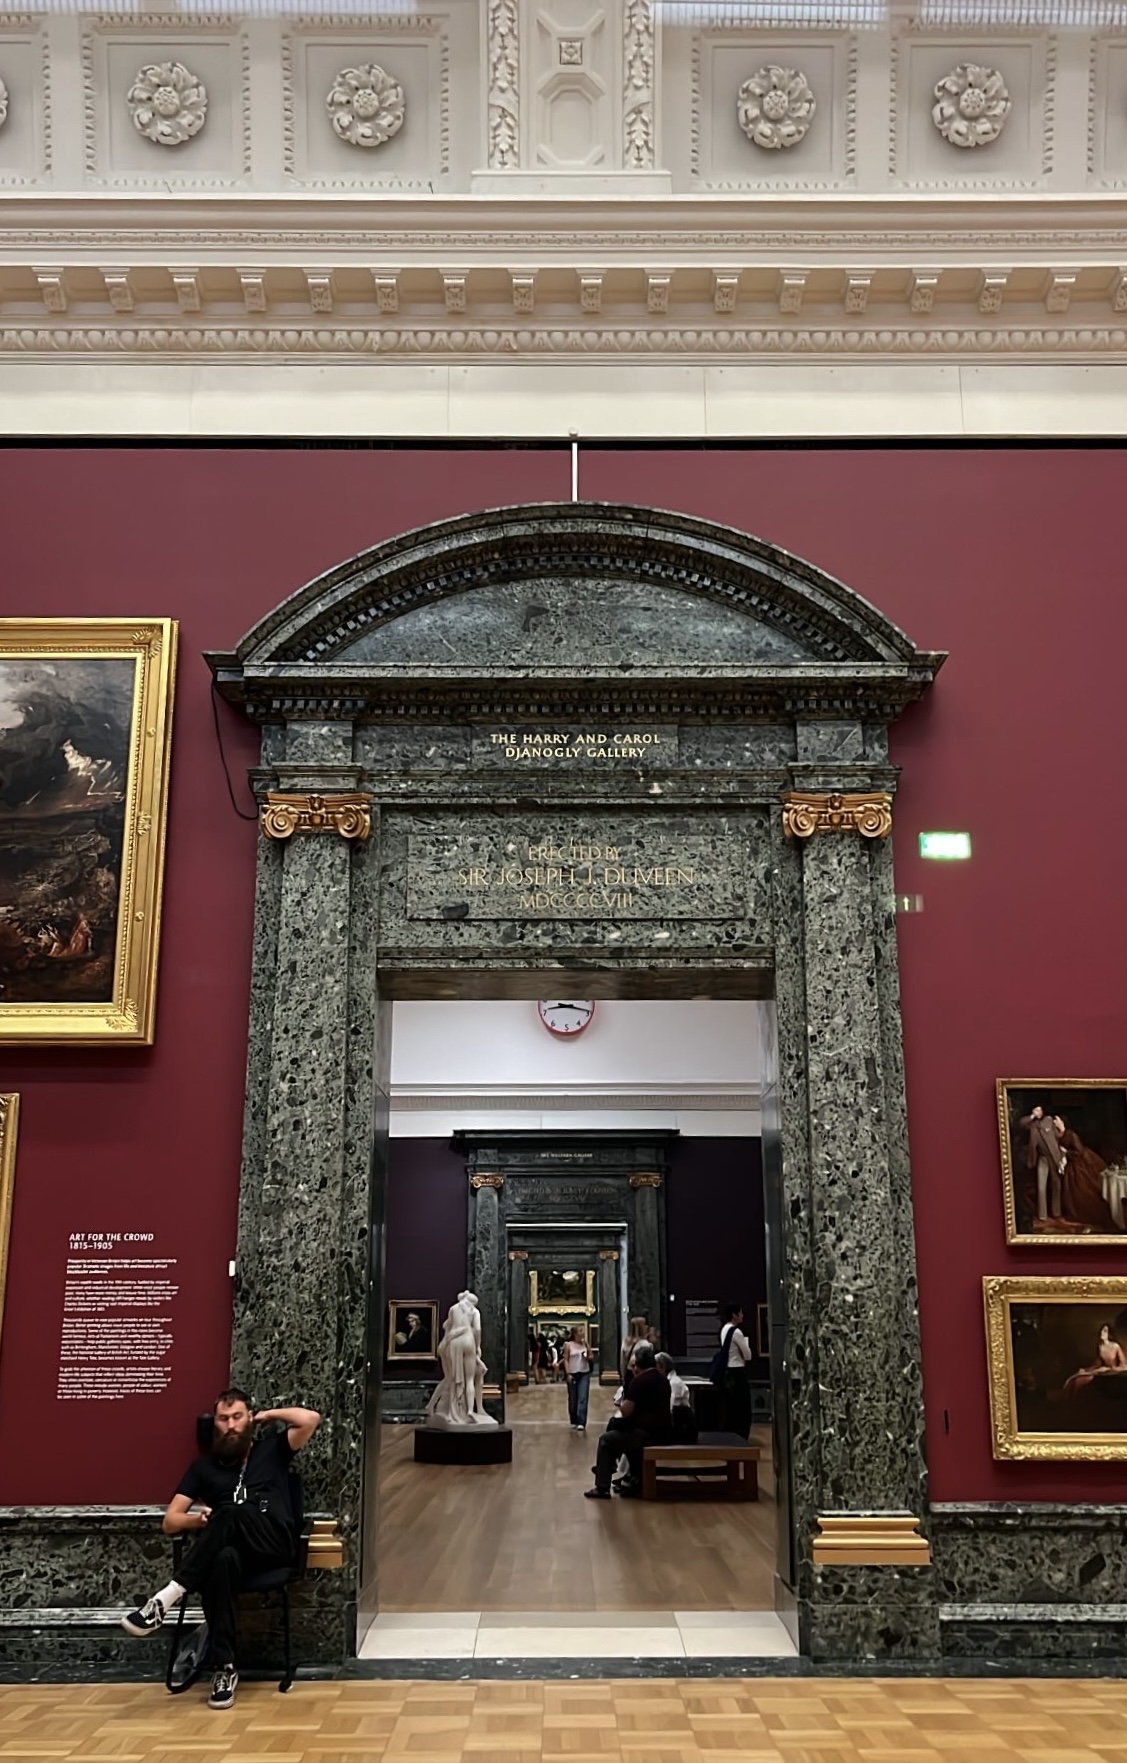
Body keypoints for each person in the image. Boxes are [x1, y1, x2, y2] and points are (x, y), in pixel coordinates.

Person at [120, 1387, 320, 1711]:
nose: (230, 1425)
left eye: (237, 1417)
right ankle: (224, 1669)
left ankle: (167, 1597)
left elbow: (310, 1419)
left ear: (249, 1419)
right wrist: (197, 1522)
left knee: (231, 1511)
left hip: (273, 1545)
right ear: (214, 1423)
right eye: (223, 1419)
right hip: (236, 1555)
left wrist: (266, 1417)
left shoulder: (273, 1450)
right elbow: (171, 1521)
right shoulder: (203, 1468)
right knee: (222, 1558)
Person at [585, 1342, 671, 1498]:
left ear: (637, 1365)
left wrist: (628, 1387)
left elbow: (626, 1410)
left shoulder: (639, 1381)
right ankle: (633, 1480)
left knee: (607, 1440)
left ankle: (602, 1485)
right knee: (619, 1431)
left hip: (645, 1433)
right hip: (663, 1431)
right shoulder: (663, 1379)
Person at [1020, 1106, 1067, 1224]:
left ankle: (1056, 1213)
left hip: (1055, 1157)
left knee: (1056, 1184)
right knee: (1041, 1186)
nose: (1038, 1112)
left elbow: (1058, 1136)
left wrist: (1062, 1129)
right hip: (1043, 1158)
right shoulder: (1032, 1124)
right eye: (1035, 1110)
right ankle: (1042, 1215)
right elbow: (1021, 1123)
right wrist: (1032, 1116)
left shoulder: (1049, 1121)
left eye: (1039, 1110)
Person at [719, 1302, 753, 1440]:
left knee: (732, 1407)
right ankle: (741, 1436)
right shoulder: (736, 1332)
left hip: (727, 1372)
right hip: (737, 1371)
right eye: (740, 1313)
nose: (742, 1315)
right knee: (743, 1408)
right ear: (734, 1315)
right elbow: (748, 1355)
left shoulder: (723, 1330)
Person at [656, 1351, 698, 1442]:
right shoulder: (664, 1382)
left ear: (662, 1367)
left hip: (682, 1427)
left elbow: (671, 1408)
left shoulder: (675, 1383)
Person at [562, 1325, 596, 1431]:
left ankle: (582, 1421)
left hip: (584, 1373)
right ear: (575, 1333)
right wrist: (568, 1373)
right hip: (572, 1373)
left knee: (583, 1397)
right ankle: (574, 1419)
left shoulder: (585, 1344)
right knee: (573, 1398)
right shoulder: (568, 1345)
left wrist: (587, 1357)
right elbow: (566, 1359)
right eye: (581, 1330)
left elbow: (591, 1356)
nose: (583, 1332)